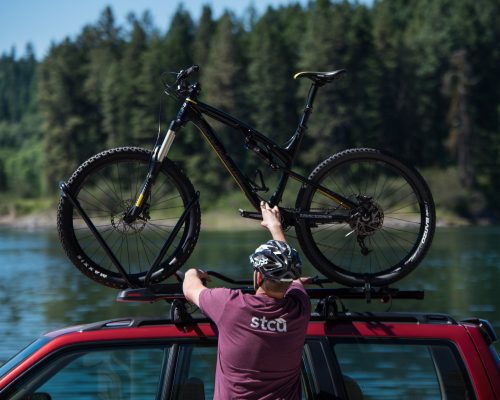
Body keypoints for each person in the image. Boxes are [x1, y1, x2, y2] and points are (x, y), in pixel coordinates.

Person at [183, 201, 311, 399]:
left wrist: (193, 272)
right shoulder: (300, 309)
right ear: (288, 282)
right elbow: (293, 280)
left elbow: (189, 288)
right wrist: (276, 227)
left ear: (258, 277)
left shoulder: (229, 305)